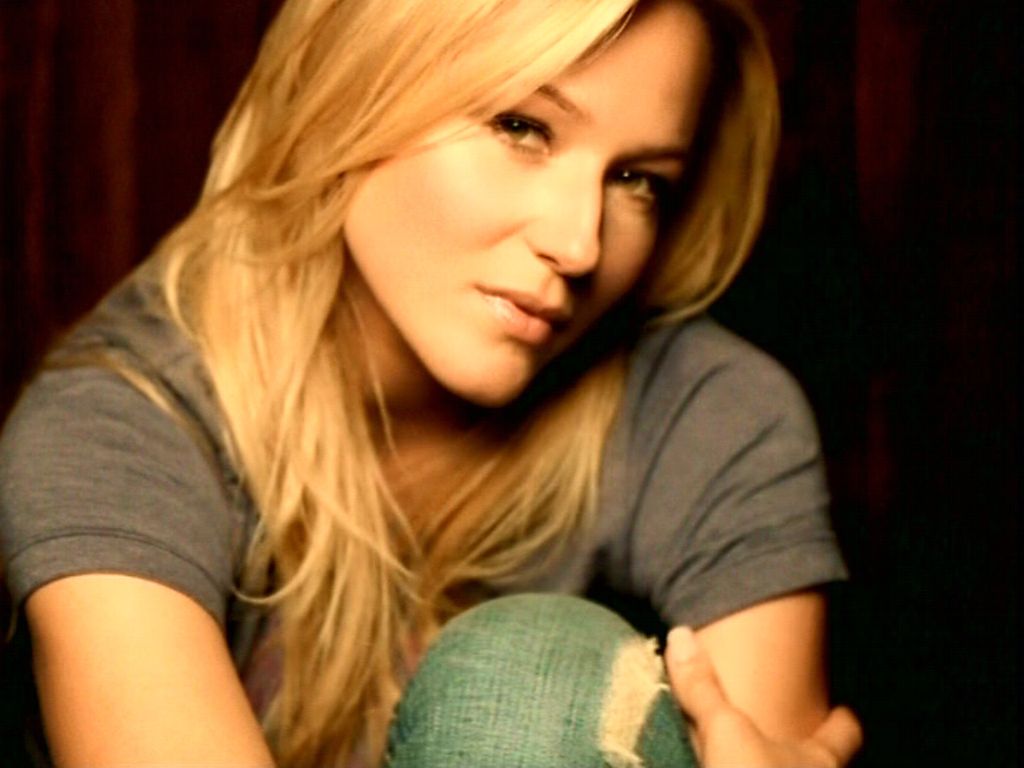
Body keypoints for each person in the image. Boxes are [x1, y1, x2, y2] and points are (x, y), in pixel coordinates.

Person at [0, 0, 862, 765]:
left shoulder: (705, 413)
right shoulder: (118, 429)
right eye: (522, 127)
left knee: (528, 678)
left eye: (637, 180)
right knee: (521, 687)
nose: (580, 245)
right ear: (353, 85)